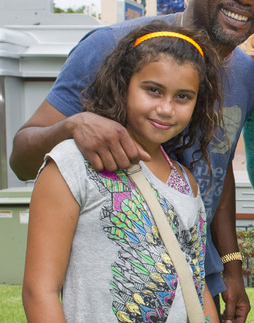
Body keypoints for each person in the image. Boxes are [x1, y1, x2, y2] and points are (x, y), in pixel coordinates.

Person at [10, 0, 254, 323]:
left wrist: (231, 264)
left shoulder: (245, 74)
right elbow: (20, 157)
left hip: (192, 275)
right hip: (110, 282)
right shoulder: (113, 47)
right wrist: (73, 126)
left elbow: (217, 165)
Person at [22, 23, 223, 322]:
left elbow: (194, 278)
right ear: (123, 84)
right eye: (153, 90)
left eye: (183, 97)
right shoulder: (72, 164)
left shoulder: (185, 179)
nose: (166, 108)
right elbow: (40, 291)